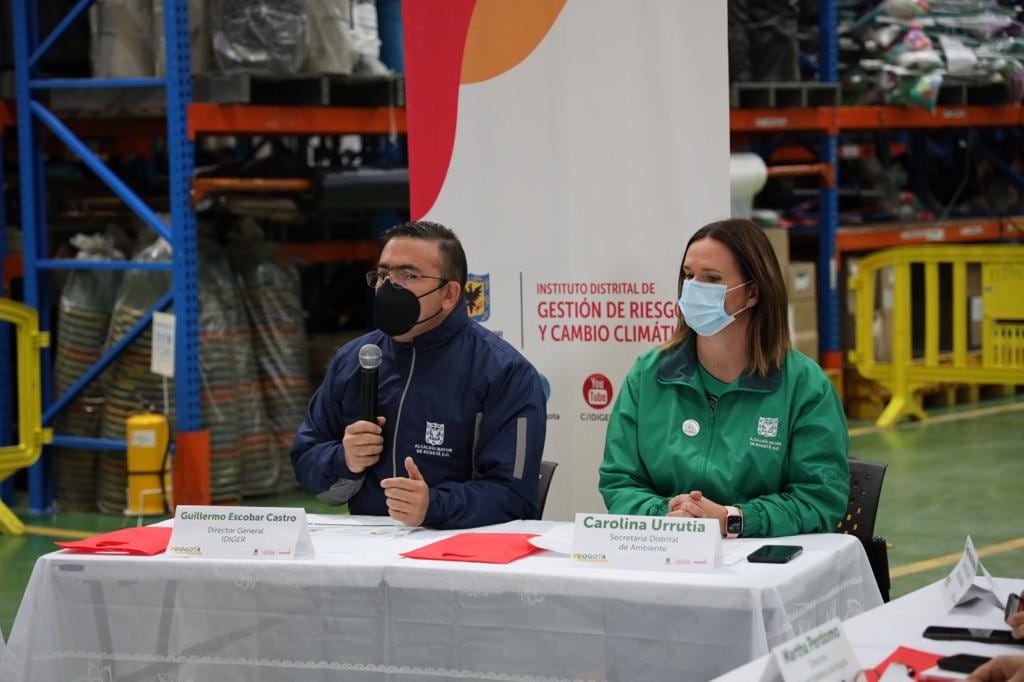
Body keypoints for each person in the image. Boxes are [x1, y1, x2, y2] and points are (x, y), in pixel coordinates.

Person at [599, 218, 849, 537]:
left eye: (712, 278)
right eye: (689, 276)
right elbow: (620, 480)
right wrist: (666, 515)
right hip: (665, 552)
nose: (693, 288)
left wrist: (733, 519)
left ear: (753, 293)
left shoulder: (803, 385)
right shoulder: (649, 373)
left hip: (760, 566)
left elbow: (819, 499)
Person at [292, 221, 547, 529]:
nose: (389, 286)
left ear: (450, 294)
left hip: (459, 556)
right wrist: (344, 459)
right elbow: (306, 458)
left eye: (407, 275)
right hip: (366, 550)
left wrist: (433, 506)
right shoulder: (355, 360)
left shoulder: (505, 373)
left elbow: (515, 498)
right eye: (383, 275)